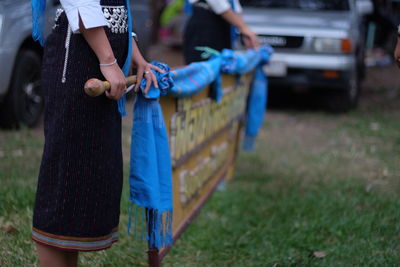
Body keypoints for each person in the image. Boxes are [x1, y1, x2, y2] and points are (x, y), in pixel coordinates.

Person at [31, 0, 161, 266]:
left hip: (101, 58)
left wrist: (134, 57)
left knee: (87, 177)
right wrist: (108, 59)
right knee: (64, 179)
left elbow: (116, 9)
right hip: (78, 60)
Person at [183, 0, 260, 64]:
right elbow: (219, 5)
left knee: (224, 64)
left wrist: (243, 29)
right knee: (203, 67)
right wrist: (243, 28)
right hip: (204, 26)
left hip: (223, 24)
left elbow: (234, 6)